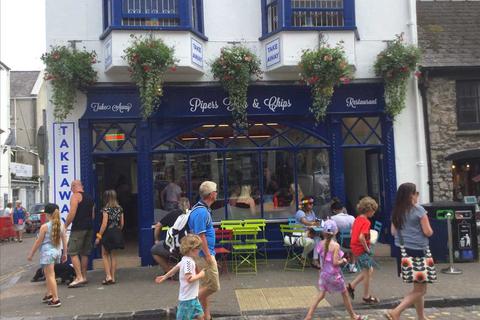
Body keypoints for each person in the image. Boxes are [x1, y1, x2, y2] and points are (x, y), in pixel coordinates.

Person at [385, 183, 433, 320]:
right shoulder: (419, 210)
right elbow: (428, 232)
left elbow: (394, 232)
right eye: (415, 192)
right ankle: (396, 312)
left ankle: (421, 317)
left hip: (403, 251)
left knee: (417, 287)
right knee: (421, 290)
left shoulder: (396, 211)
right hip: (419, 251)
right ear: (411, 195)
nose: (417, 195)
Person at [305, 220, 367, 320]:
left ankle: (309, 315)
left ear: (323, 232)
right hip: (334, 275)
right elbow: (335, 262)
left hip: (323, 275)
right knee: (345, 294)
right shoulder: (336, 246)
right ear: (335, 232)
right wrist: (343, 260)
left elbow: (320, 261)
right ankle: (353, 316)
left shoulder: (320, 244)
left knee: (320, 295)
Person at [188, 181, 220, 320]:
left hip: (201, 254)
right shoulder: (201, 211)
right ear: (211, 194)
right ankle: (188, 304)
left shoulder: (200, 209)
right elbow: (201, 236)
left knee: (205, 285)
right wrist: (208, 255)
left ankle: (206, 316)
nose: (217, 193)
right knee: (213, 286)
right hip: (203, 255)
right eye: (216, 191)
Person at [156, 234, 205, 320]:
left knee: (200, 316)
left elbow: (175, 268)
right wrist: (200, 275)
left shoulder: (185, 259)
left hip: (193, 297)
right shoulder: (188, 263)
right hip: (188, 299)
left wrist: (165, 276)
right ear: (191, 249)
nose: (199, 250)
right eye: (198, 248)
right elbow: (189, 279)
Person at [27, 203, 67, 307]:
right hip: (56, 252)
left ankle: (56, 299)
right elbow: (64, 240)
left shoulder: (45, 227)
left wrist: (31, 254)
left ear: (47, 214)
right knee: (47, 274)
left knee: (50, 276)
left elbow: (38, 242)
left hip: (47, 253)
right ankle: (49, 294)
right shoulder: (61, 225)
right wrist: (65, 253)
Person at [347, 196, 379, 305]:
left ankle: (351, 286)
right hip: (361, 249)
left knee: (369, 270)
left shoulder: (357, 219)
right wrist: (367, 249)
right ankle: (366, 296)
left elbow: (353, 233)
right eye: (373, 211)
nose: (374, 213)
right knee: (367, 272)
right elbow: (361, 237)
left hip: (355, 247)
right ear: (369, 210)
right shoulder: (366, 222)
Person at [65, 180, 95, 288]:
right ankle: (84, 276)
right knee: (84, 253)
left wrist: (65, 226)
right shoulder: (90, 198)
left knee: (72, 252)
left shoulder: (75, 196)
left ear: (74, 187)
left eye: (71, 187)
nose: (70, 189)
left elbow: (72, 213)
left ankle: (78, 277)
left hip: (78, 228)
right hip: (89, 228)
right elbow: (92, 215)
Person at [151, 197, 191, 276]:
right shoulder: (192, 214)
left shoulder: (172, 214)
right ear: (189, 205)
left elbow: (158, 226)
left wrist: (156, 240)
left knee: (154, 250)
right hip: (189, 247)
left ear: (178, 205)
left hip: (173, 247)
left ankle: (169, 272)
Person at [95, 190, 125, 285]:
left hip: (107, 233)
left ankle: (108, 276)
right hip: (116, 232)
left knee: (104, 255)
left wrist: (98, 236)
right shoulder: (120, 209)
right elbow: (122, 223)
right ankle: (113, 277)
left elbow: (104, 224)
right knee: (113, 255)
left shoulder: (105, 209)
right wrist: (118, 230)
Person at [330, 198, 357, 273]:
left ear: (334, 210)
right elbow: (355, 230)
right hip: (353, 245)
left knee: (331, 240)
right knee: (352, 245)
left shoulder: (332, 218)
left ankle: (337, 263)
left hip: (340, 245)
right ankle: (352, 266)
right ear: (342, 209)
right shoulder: (352, 217)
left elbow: (331, 231)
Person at [295, 196, 321, 268]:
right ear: (304, 204)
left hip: (308, 233)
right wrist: (314, 223)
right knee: (313, 240)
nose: (312, 205)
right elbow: (305, 222)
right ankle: (303, 258)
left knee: (318, 239)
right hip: (298, 234)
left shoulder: (312, 212)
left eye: (312, 203)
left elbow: (315, 221)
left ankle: (314, 260)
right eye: (310, 203)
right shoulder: (300, 212)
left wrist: (316, 223)